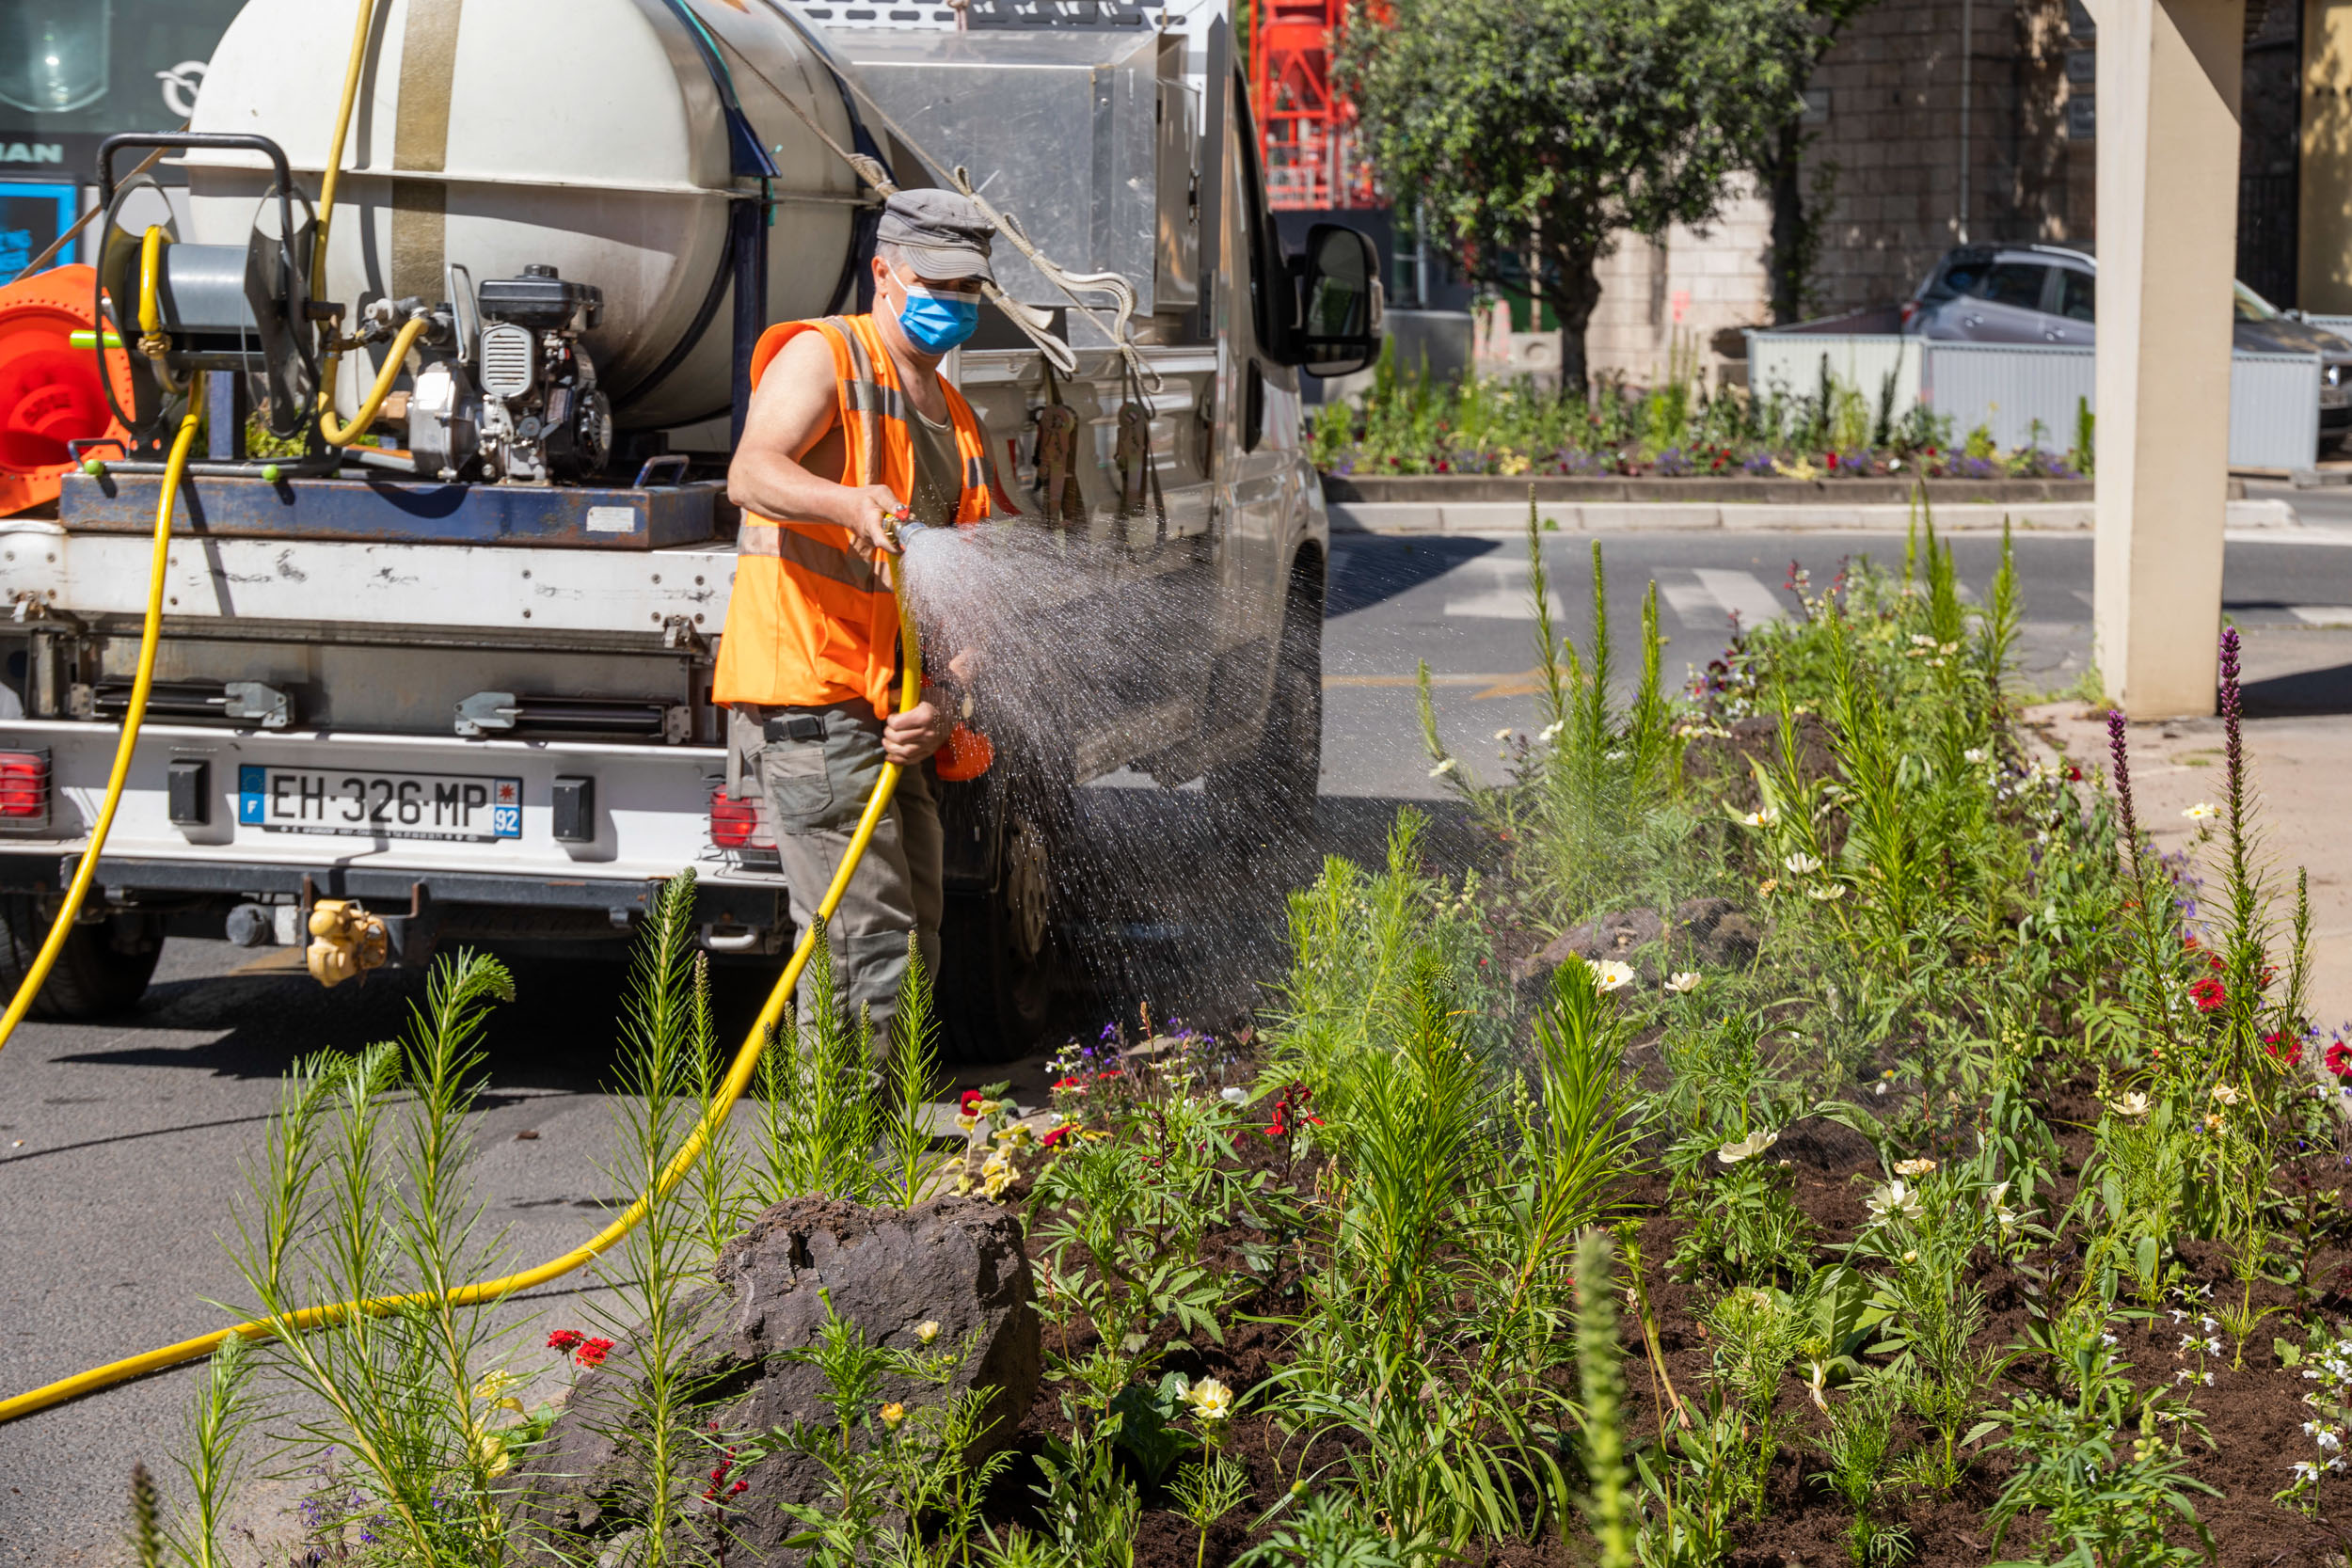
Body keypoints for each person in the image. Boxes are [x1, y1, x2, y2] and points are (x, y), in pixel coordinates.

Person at [714, 188, 1013, 1052]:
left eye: (970, 290)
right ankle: (839, 1165)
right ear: (885, 273)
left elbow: (973, 591)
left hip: (894, 718)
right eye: (939, 282)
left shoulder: (955, 421)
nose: (955, 303)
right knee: (864, 947)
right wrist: (846, 502)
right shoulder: (823, 356)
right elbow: (751, 472)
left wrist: (947, 704)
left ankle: (872, 1163)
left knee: (915, 936)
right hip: (817, 696)